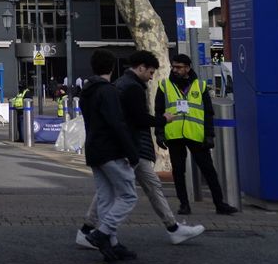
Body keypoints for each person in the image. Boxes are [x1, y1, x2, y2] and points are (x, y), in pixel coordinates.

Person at [77, 50, 204, 250]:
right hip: (131, 147)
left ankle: (91, 232)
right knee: (142, 189)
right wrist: (163, 120)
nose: (152, 76)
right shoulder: (131, 88)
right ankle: (102, 233)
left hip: (117, 148)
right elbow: (133, 120)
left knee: (108, 192)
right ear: (141, 68)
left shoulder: (115, 85)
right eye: (151, 72)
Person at [156, 53, 238, 215]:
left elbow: (208, 113)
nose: (175, 70)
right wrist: (159, 132)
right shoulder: (164, 85)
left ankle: (220, 204)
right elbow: (159, 111)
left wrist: (209, 135)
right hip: (174, 134)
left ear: (188, 68)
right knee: (178, 172)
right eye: (173, 66)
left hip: (196, 134)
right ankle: (184, 204)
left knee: (208, 170)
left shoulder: (200, 86)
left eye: (179, 67)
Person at [80, 49, 139, 262]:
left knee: (105, 198)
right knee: (128, 195)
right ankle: (103, 233)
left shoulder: (86, 92)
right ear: (112, 68)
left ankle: (112, 244)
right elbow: (117, 123)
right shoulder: (108, 91)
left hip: (93, 149)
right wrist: (131, 152)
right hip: (110, 150)